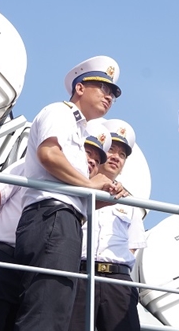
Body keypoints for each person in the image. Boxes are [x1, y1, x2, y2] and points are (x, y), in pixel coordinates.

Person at [0, 120, 111, 331]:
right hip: (2, 258)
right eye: (88, 152)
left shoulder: (80, 197)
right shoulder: (32, 166)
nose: (92, 162)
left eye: (97, 160)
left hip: (39, 263)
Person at [14, 56, 126, 331]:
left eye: (113, 93)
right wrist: (88, 185)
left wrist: (101, 192)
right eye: (103, 88)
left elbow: (71, 186)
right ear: (79, 88)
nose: (109, 97)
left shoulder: (79, 128)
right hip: (53, 217)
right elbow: (49, 154)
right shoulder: (60, 113)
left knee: (56, 311)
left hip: (64, 220)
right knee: (45, 312)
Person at [68, 118, 146, 331]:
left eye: (122, 154)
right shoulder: (75, 190)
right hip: (80, 274)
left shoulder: (130, 202)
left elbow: (132, 245)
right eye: (112, 150)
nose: (116, 157)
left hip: (117, 282)